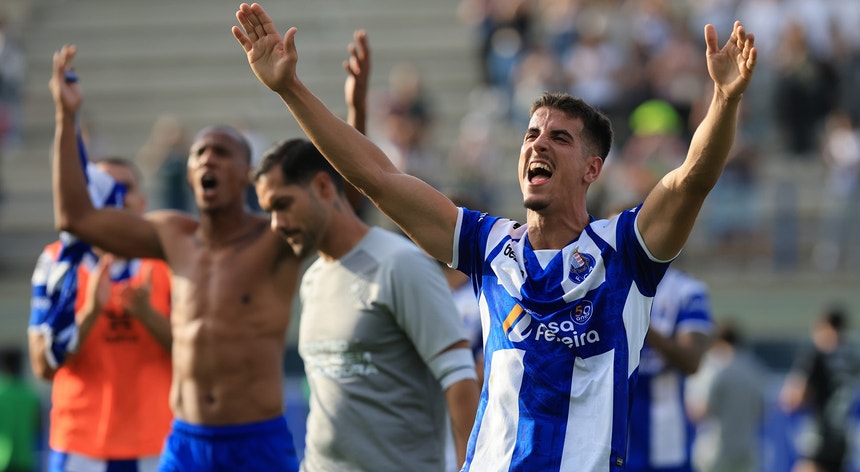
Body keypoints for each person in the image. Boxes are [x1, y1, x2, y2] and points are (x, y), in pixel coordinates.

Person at [232, 4, 757, 469]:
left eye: (559, 137)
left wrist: (725, 100)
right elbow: (377, 177)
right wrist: (290, 89)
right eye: (531, 134)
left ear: (592, 168)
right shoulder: (488, 246)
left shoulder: (624, 250)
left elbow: (691, 180)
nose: (537, 145)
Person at [49, 44, 305, 471]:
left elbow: (342, 199)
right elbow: (75, 217)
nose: (208, 158)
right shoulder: (172, 236)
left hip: (256, 441)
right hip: (185, 442)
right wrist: (66, 116)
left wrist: (292, 90)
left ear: (247, 174)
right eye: (200, 153)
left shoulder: (275, 237)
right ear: (189, 174)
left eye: (222, 153)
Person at [255, 137, 480, 471]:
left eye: (283, 204)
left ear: (322, 187)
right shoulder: (313, 279)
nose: (277, 224)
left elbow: (461, 383)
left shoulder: (401, 264)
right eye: (269, 211)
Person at [29, 156, 173, 472]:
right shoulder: (58, 262)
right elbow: (43, 366)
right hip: (80, 446)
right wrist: (91, 312)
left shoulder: (168, 262)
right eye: (104, 188)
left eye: (125, 188)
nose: (115, 198)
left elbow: (199, 357)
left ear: (143, 202)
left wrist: (147, 315)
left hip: (157, 443)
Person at [626, 267, 713, 472]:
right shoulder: (601, 278)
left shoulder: (686, 290)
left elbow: (692, 360)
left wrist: (641, 320)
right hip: (613, 439)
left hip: (668, 442)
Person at [779, 306, 860, 472]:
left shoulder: (815, 357)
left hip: (819, 435)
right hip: (842, 438)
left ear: (826, 328)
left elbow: (793, 398)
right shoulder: (852, 358)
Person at [685, 320, 765, 472]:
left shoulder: (711, 366)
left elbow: (699, 411)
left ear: (718, 342)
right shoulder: (755, 368)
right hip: (747, 449)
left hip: (714, 450)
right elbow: (762, 412)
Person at [0, 347, 41, 472]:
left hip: (2, 459)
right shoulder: (31, 396)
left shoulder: (1, 393)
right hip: (26, 460)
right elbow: (37, 427)